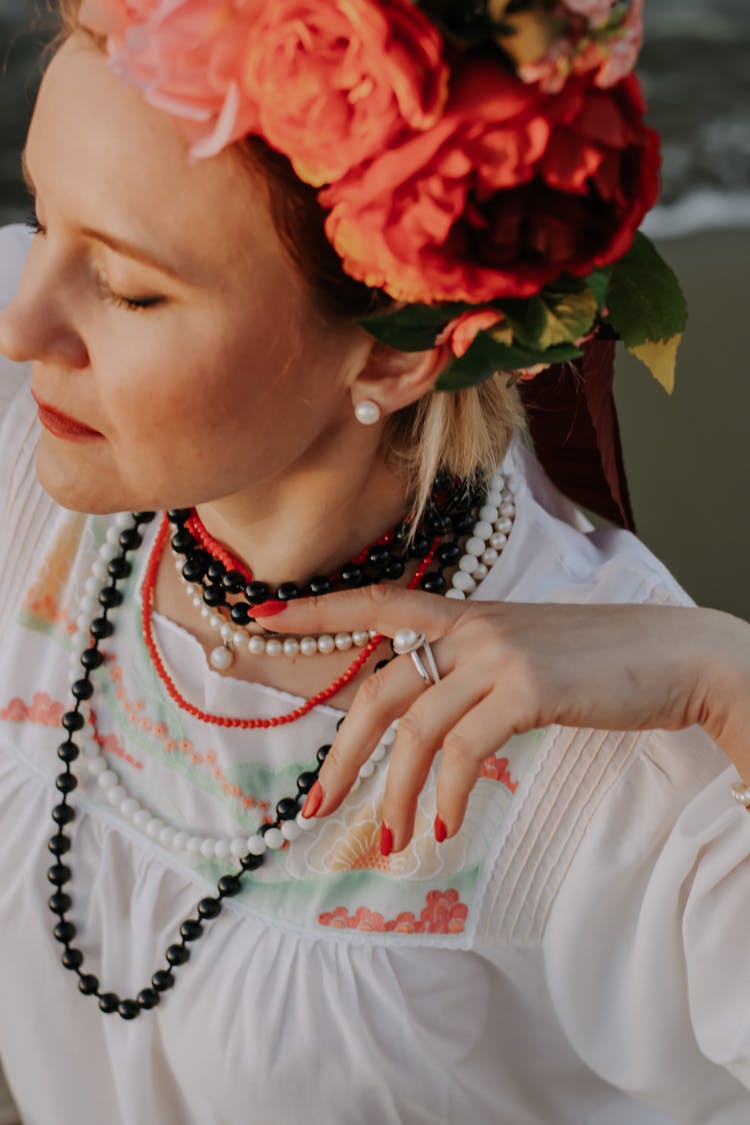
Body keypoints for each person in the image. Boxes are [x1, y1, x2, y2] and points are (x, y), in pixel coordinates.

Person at [0, 2, 748, 1124]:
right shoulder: (38, 444)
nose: (24, 321)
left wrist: (728, 677)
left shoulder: (623, 757)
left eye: (130, 289)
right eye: (37, 213)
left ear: (396, 358)